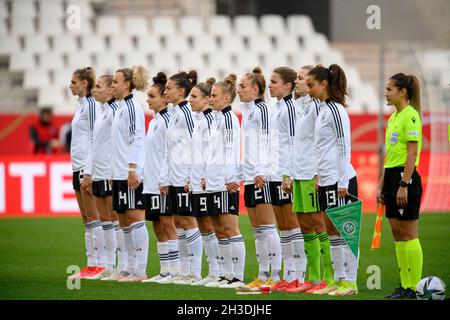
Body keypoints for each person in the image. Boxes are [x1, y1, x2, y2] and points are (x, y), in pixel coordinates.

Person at [305, 64, 359, 296]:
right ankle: (337, 280)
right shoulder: (323, 109)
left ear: (324, 84)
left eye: (311, 85)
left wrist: (343, 181)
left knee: (346, 231)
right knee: (332, 232)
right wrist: (320, 175)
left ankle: (351, 283)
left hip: (341, 181)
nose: (308, 90)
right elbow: (322, 147)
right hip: (327, 179)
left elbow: (343, 145)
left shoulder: (337, 110)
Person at [283, 65, 330, 293]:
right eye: (298, 78)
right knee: (304, 225)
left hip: (311, 174)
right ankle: (311, 279)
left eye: (302, 79)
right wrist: (289, 174)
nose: (298, 82)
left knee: (318, 224)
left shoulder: (317, 107)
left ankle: (327, 277)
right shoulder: (300, 107)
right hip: (299, 175)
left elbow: (319, 142)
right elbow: (296, 144)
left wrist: (317, 172)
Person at [236, 67, 282, 291]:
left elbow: (267, 141)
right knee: (257, 229)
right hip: (251, 175)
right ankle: (262, 275)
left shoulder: (263, 110)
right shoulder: (248, 112)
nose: (238, 90)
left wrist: (261, 171)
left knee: (267, 226)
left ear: (256, 89)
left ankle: (274, 275)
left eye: (243, 86)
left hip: (262, 176)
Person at [380, 73, 423, 299]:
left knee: (409, 234)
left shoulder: (411, 116)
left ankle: (414, 288)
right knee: (397, 234)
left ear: (402, 92)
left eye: (389, 89)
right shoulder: (393, 118)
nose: (386, 93)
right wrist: (381, 185)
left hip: (405, 179)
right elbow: (390, 155)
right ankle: (404, 286)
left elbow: (412, 153)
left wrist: (404, 183)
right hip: (390, 178)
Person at [161, 70, 203, 284]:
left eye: (168, 88)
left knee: (188, 221)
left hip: (185, 177)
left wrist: (190, 177)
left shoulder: (186, 113)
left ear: (180, 91)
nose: (164, 91)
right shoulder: (174, 112)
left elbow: (194, 144)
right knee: (178, 221)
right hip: (174, 177)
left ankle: (194, 271)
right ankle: (183, 271)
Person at [204, 74, 246, 289]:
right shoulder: (217, 118)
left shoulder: (229, 118)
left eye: (214, 95)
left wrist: (231, 178)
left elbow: (231, 150)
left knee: (230, 229)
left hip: (224, 182)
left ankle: (237, 276)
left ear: (226, 99)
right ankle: (227, 274)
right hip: (213, 181)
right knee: (219, 230)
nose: (210, 99)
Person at [82, 74, 125, 281]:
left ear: (110, 90)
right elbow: (95, 145)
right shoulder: (102, 111)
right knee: (105, 221)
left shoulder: (116, 111)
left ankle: (121, 265)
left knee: (115, 219)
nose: (94, 90)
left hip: (109, 173)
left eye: (98, 86)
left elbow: (118, 144)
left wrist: (112, 172)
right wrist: (88, 172)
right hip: (99, 174)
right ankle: (108, 266)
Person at [267, 66, 306, 291]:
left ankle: (298, 276)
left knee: (293, 226)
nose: (270, 85)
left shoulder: (290, 108)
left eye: (274, 82)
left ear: (288, 86)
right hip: (275, 173)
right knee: (283, 227)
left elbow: (293, 142)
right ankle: (288, 274)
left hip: (285, 175)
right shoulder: (277, 107)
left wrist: (288, 174)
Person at [110, 65, 149, 282]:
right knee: (123, 219)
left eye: (116, 82)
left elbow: (136, 138)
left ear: (127, 84)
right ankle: (127, 267)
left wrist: (132, 168)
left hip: (129, 172)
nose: (112, 85)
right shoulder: (120, 107)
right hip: (119, 172)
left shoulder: (132, 106)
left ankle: (140, 270)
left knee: (134, 216)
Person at [141, 72, 180, 284]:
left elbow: (169, 152)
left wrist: (164, 179)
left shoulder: (167, 120)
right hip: (150, 183)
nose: (147, 99)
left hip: (162, 182)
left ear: (164, 98)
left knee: (167, 224)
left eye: (152, 95)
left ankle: (174, 271)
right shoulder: (155, 121)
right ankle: (165, 270)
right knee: (157, 225)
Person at [67, 66, 105, 279]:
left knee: (94, 215)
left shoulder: (91, 105)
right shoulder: (81, 106)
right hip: (77, 167)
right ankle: (91, 263)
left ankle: (100, 264)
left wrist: (88, 170)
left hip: (86, 167)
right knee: (85, 217)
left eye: (74, 82)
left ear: (84, 83)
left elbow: (94, 138)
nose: (70, 85)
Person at [188, 78, 223, 286]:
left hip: (205, 181)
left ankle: (219, 271)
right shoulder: (199, 119)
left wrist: (204, 176)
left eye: (194, 97)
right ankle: (212, 271)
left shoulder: (210, 119)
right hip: (196, 180)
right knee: (203, 225)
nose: (190, 100)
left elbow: (211, 152)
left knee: (211, 224)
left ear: (206, 99)